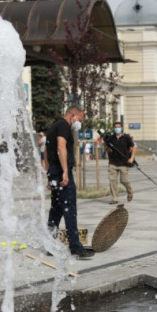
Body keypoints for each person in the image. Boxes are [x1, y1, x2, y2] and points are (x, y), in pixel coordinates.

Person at [44, 106, 94, 259]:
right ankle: (75, 248)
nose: (79, 122)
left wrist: (49, 174)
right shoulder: (64, 126)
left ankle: (49, 245)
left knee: (57, 208)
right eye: (79, 119)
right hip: (61, 171)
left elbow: (46, 151)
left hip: (54, 170)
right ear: (73, 115)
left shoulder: (53, 126)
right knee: (69, 207)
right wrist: (65, 171)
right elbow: (60, 147)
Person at [104, 122, 136, 204]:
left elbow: (134, 147)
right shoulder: (111, 138)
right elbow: (106, 148)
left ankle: (130, 191)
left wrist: (132, 158)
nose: (117, 128)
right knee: (112, 181)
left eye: (118, 127)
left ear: (121, 128)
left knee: (124, 181)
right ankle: (115, 198)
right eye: (115, 127)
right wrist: (108, 148)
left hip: (123, 163)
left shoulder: (126, 137)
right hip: (113, 163)